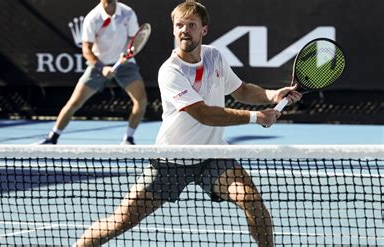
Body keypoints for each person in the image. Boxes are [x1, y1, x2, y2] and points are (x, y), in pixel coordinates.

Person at [73, 1, 302, 247]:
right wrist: (256, 117)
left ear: (204, 29)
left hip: (213, 156)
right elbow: (203, 114)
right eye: (179, 25)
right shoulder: (170, 71)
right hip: (173, 160)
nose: (184, 30)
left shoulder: (214, 56)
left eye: (191, 25)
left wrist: (272, 95)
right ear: (173, 30)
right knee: (120, 222)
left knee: (252, 200)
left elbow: (241, 90)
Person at [39, 0, 147, 145]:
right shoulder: (93, 18)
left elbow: (135, 40)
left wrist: (127, 56)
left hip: (125, 64)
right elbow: (86, 50)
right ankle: (53, 137)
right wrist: (102, 67)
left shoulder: (128, 12)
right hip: (98, 65)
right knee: (74, 102)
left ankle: (128, 138)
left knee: (141, 101)